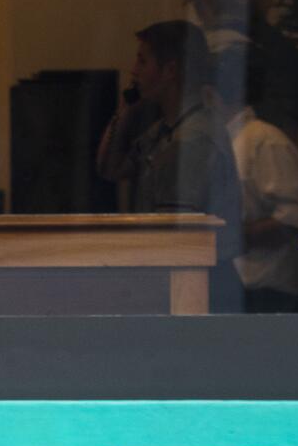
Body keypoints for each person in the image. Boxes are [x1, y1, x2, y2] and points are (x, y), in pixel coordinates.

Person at [95, 19, 244, 310]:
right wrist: (124, 111)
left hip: (198, 283)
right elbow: (110, 168)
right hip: (186, 277)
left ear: (170, 70)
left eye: (142, 60)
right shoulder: (167, 130)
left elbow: (172, 237)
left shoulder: (191, 141)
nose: (134, 71)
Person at [205, 44, 298, 312]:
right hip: (232, 287)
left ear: (212, 93)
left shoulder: (264, 140)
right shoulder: (222, 143)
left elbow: (295, 218)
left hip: (266, 290)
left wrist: (228, 240)